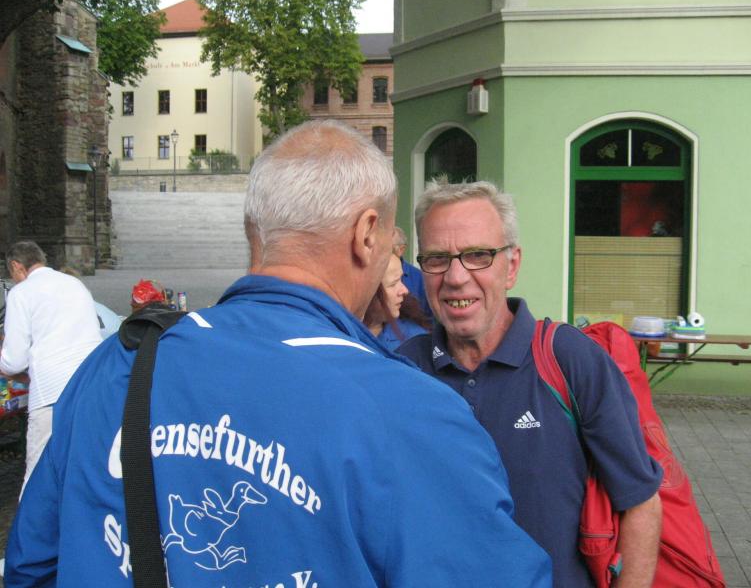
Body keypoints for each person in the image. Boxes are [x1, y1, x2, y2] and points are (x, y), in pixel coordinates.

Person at [5, 121, 552, 587]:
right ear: (367, 235)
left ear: (254, 230)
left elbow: (32, 566)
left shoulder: (117, 365)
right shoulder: (413, 415)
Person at [398, 180, 663, 588]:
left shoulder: (571, 361)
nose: (456, 277)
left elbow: (641, 503)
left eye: (478, 255)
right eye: (437, 258)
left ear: (512, 266)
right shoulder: (403, 371)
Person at [0, 242, 102, 490]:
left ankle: (32, 516)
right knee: (80, 465)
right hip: (91, 382)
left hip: (51, 391)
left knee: (38, 471)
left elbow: (14, 360)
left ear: (16, 266)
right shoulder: (74, 284)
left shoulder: (21, 292)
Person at [363, 253, 428, 350]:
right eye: (393, 284)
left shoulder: (415, 342)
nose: (405, 290)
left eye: (401, 280)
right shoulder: (340, 336)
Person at [392, 226, 432, 317]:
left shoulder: (420, 279)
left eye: (388, 248)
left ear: (401, 250)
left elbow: (429, 318)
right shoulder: (374, 275)